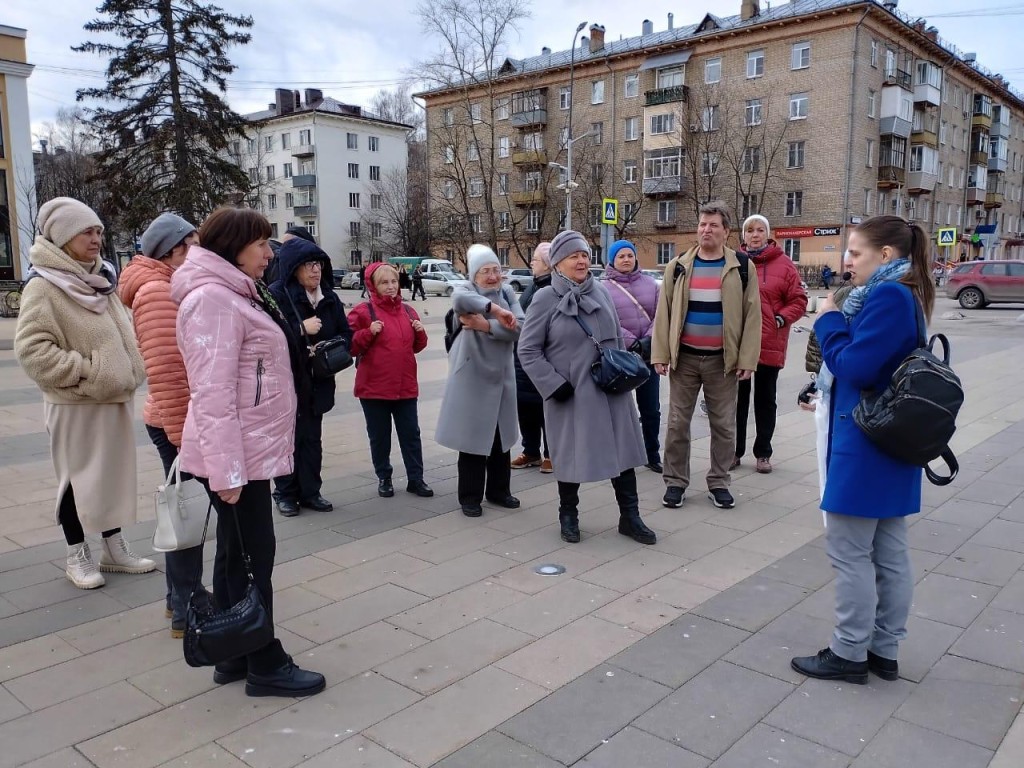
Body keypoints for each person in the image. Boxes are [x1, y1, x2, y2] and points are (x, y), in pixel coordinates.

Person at [172, 206, 324, 697]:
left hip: (248, 451)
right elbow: (211, 394)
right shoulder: (213, 300)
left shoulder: (240, 293)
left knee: (237, 558)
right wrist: (228, 472)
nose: (270, 252)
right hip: (238, 458)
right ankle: (264, 662)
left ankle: (233, 652)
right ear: (233, 245)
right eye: (261, 243)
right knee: (257, 557)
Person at [791, 215, 935, 685]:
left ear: (886, 254)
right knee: (889, 552)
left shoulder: (889, 296)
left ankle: (849, 651)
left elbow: (856, 366)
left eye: (854, 252)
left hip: (867, 442)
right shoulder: (902, 292)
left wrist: (829, 319)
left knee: (850, 551)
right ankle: (883, 650)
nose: (846, 260)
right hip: (888, 441)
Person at [15, 198, 153, 590]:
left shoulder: (101, 278)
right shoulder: (44, 285)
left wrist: (131, 365)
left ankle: (113, 547)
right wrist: (89, 373)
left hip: (112, 398)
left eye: (98, 232)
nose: (96, 239)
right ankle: (77, 553)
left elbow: (123, 334)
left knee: (111, 477)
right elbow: (32, 351)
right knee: (75, 480)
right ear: (62, 236)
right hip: (75, 402)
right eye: (86, 232)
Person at [519, 230, 657, 545]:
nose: (581, 260)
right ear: (557, 263)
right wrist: (553, 384)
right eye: (573, 256)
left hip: (610, 391)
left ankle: (630, 517)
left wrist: (622, 369)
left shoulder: (602, 292)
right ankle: (568, 516)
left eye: (584, 254)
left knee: (622, 453)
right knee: (570, 456)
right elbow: (527, 350)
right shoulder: (544, 298)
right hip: (570, 394)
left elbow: (617, 340)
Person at [119, 212, 219, 636]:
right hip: (177, 420)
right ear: (176, 250)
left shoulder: (166, 284)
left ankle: (178, 596)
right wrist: (184, 441)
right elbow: (167, 371)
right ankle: (186, 606)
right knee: (185, 512)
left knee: (186, 510)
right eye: (195, 245)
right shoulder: (159, 291)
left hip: (176, 418)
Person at [651, 201, 762, 510]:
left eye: (713, 225)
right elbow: (665, 314)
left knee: (724, 426)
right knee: (676, 424)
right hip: (684, 359)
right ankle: (675, 482)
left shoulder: (741, 266)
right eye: (702, 224)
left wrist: (747, 359)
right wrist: (660, 353)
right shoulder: (679, 266)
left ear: (726, 231)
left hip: (722, 361)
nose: (706, 230)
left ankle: (719, 482)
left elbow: (753, 316)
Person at [436, 244, 523, 517]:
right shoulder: (466, 290)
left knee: (501, 439)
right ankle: (470, 497)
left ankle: (499, 492)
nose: (493, 276)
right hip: (472, 378)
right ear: (474, 275)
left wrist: (485, 325)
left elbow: (519, 327)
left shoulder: (509, 292)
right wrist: (496, 312)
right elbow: (460, 302)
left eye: (496, 270)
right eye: (486, 271)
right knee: (472, 439)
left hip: (502, 377)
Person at [269, 237, 353, 517]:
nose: (315, 270)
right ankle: (285, 493)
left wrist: (330, 346)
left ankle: (311, 491)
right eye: (308, 265)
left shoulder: (329, 296)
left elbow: (346, 333)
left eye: (318, 264)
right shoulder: (277, 294)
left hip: (317, 380)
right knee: (288, 438)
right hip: (288, 380)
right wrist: (300, 329)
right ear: (293, 268)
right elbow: (268, 338)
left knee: (312, 439)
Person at [347, 262, 432, 498]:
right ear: (373, 285)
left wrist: (420, 333)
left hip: (405, 386)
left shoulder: (408, 311)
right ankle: (384, 477)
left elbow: (416, 346)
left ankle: (416, 479)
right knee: (380, 437)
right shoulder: (364, 312)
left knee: (411, 435)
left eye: (394, 281)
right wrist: (367, 332)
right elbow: (350, 346)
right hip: (374, 388)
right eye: (384, 282)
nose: (391, 287)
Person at [733, 215, 807, 474]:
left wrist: (780, 318)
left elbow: (799, 300)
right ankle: (734, 451)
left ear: (768, 233)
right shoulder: (734, 262)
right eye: (750, 230)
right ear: (743, 235)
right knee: (737, 401)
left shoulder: (784, 265)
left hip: (769, 342)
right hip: (739, 344)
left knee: (765, 400)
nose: (755, 235)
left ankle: (763, 453)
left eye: (760, 230)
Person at [604, 239, 663, 474]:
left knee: (651, 409)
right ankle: (620, 455)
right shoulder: (603, 288)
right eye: (621, 256)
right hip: (621, 359)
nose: (626, 259)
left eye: (630, 255)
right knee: (620, 410)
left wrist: (648, 341)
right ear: (612, 260)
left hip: (648, 356)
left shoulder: (651, 284)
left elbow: (662, 315)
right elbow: (608, 320)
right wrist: (631, 342)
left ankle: (652, 453)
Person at [511, 243, 554, 473]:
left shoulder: (552, 289)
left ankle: (551, 454)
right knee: (526, 407)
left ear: (547, 264)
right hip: (521, 359)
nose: (531, 264)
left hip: (542, 359)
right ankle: (531, 451)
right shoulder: (532, 286)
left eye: (535, 260)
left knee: (546, 409)